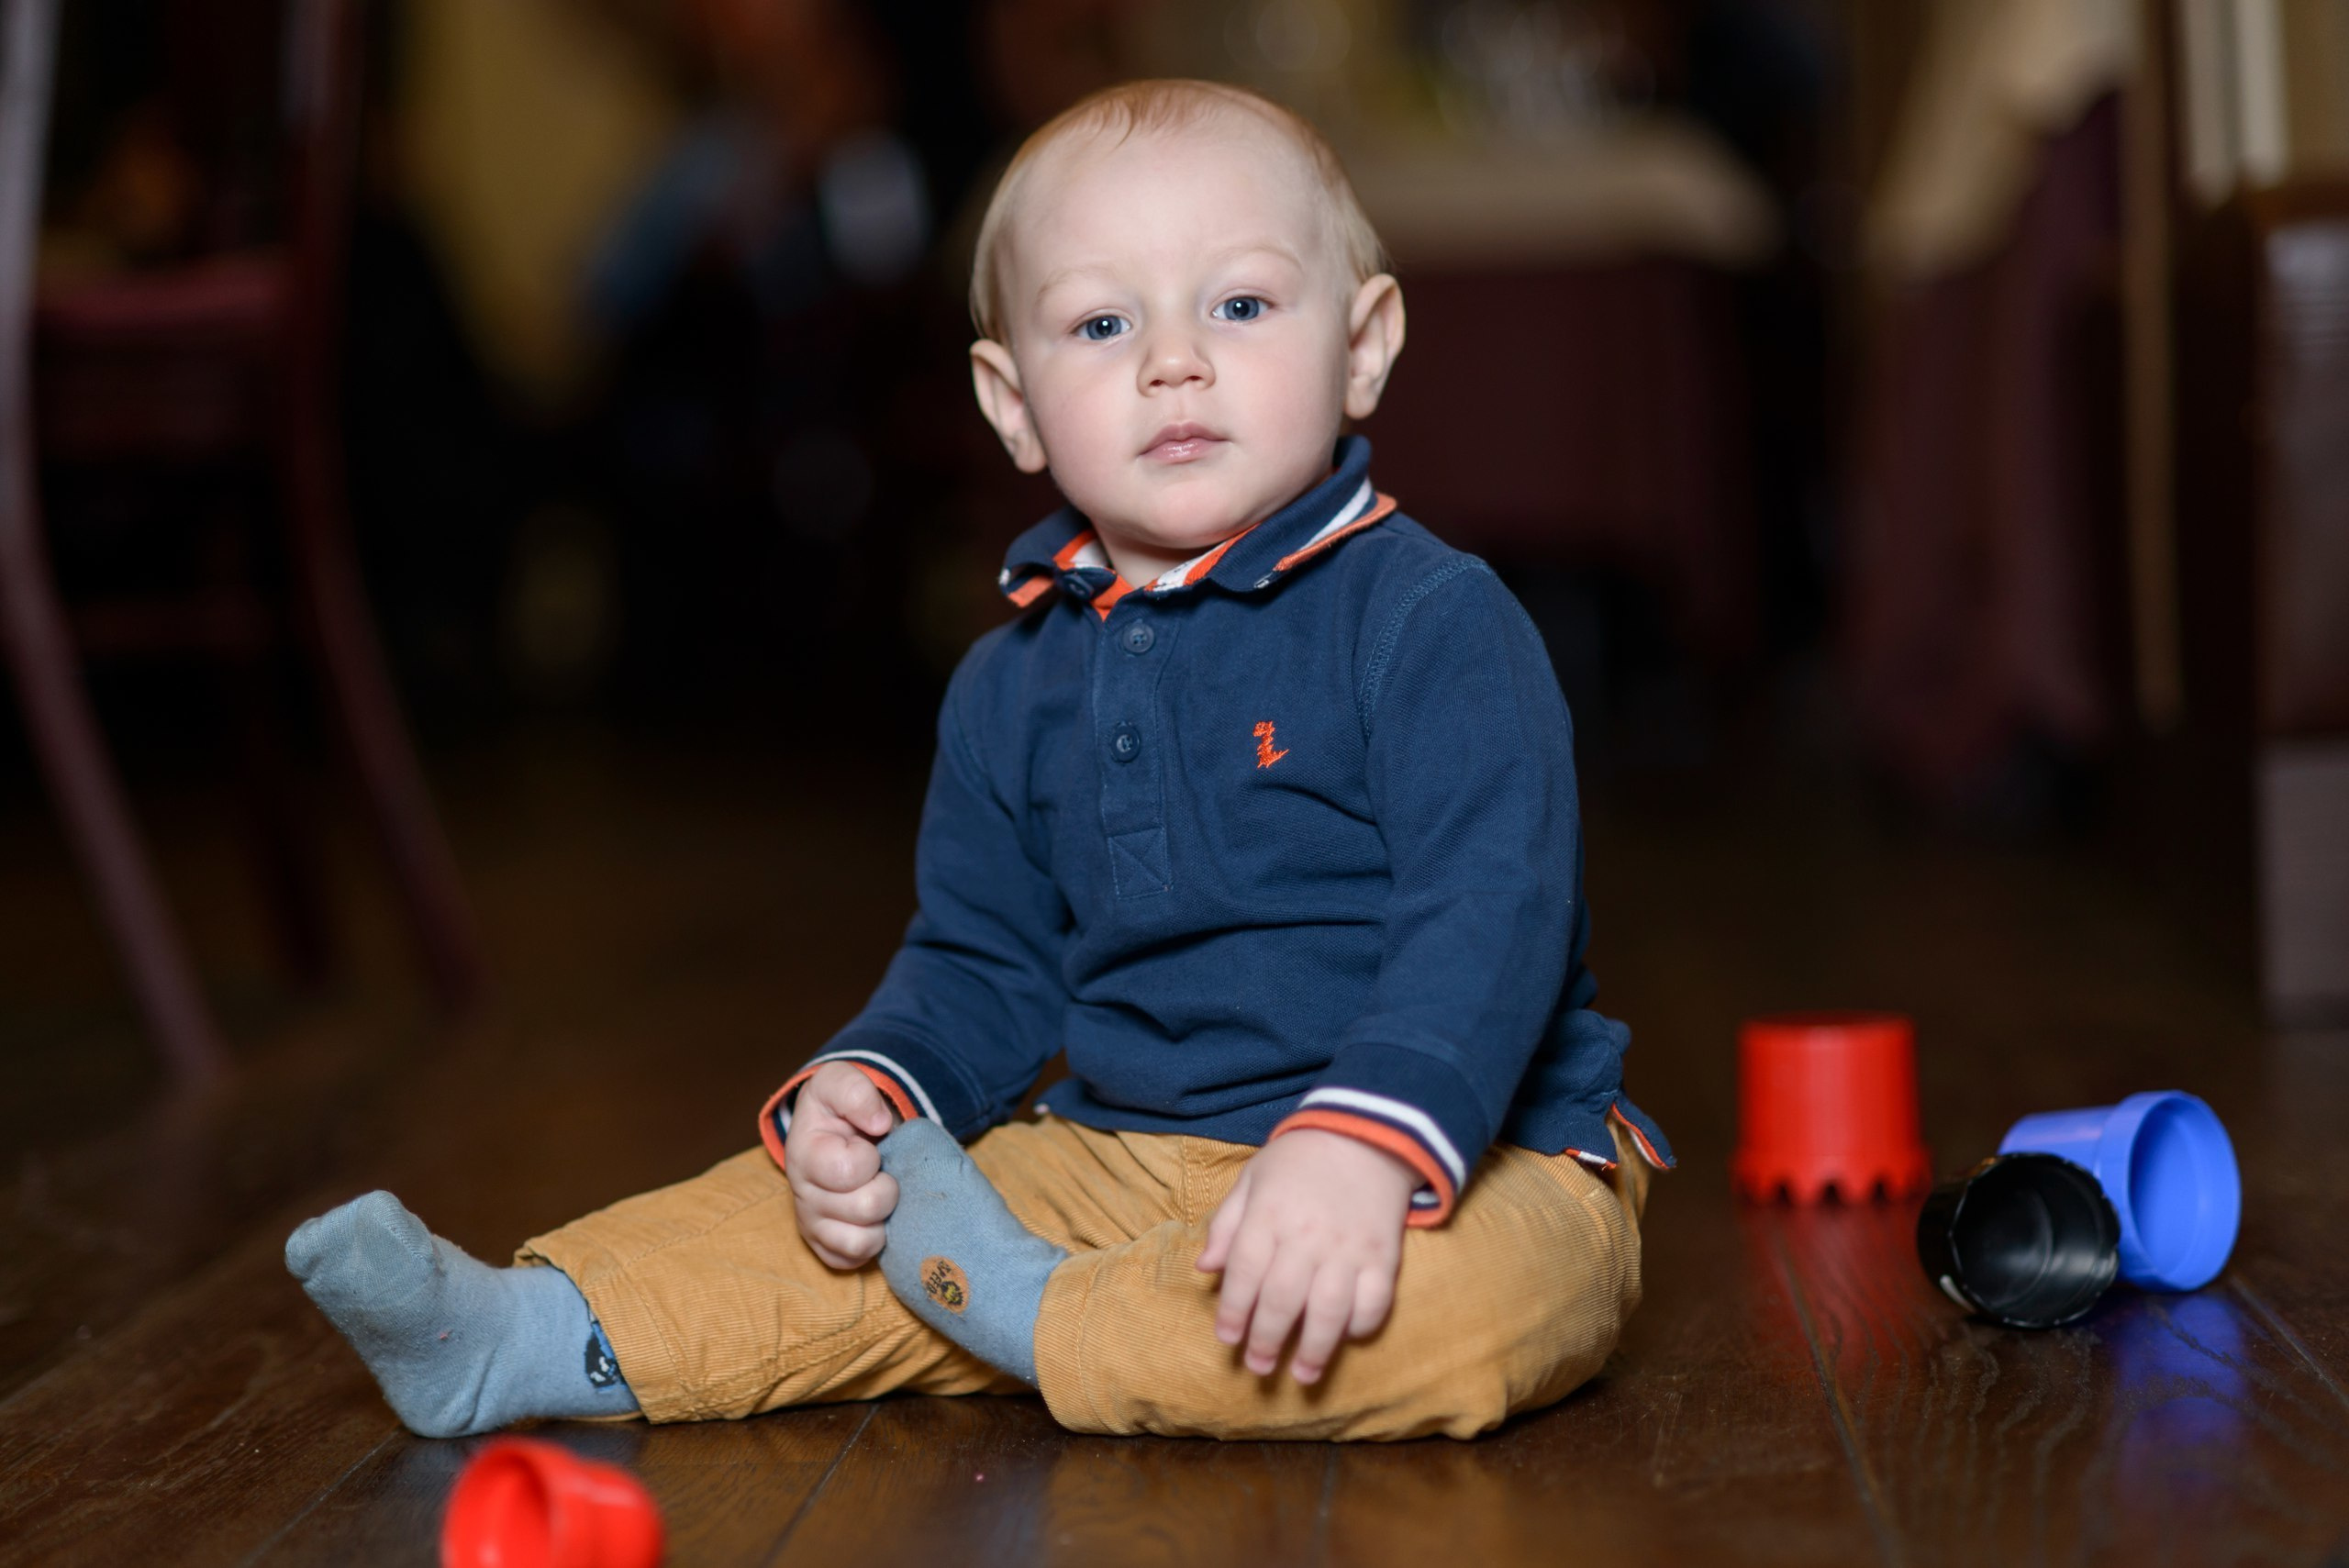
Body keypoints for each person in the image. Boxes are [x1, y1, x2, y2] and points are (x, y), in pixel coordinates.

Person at [285, 79, 1672, 1443]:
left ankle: (1023, 1314)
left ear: (1362, 347)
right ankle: (525, 1331)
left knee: (1480, 1305)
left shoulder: (1431, 621)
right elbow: (984, 958)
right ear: (1013, 405)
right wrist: (880, 1083)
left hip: (1466, 1151)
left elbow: (1493, 916)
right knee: (831, 1213)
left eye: (1241, 305)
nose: (1173, 361)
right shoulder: (1009, 684)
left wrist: (1362, 1142)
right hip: (1119, 1153)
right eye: (1102, 323)